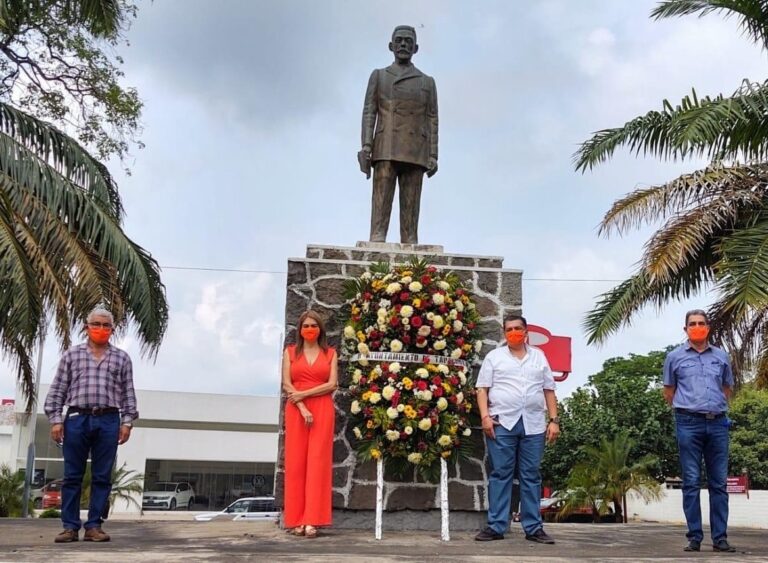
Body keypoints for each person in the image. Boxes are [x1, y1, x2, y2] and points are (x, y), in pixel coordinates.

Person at [44, 306, 138, 543]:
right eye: (96, 324)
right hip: (77, 418)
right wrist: (56, 420)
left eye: (106, 325)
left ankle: (94, 525)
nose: (100, 329)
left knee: (102, 476)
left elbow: (128, 393)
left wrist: (127, 422)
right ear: (87, 327)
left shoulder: (121, 358)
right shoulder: (72, 355)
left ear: (112, 330)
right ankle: (70, 527)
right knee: (72, 475)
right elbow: (58, 390)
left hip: (108, 419)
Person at [474, 314, 560, 543]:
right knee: (501, 474)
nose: (514, 332)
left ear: (526, 331)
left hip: (533, 425)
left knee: (531, 475)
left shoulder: (539, 357)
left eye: (517, 328)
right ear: (504, 333)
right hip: (502, 423)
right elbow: (482, 389)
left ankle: (533, 528)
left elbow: (549, 390)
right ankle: (496, 526)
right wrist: (485, 417)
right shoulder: (494, 357)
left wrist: (554, 420)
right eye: (509, 329)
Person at [663, 309, 736, 553]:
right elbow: (669, 392)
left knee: (719, 483)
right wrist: (689, 408)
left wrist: (714, 407)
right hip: (688, 423)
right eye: (692, 324)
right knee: (691, 482)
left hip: (717, 424)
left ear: (708, 327)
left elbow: (726, 387)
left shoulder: (721, 357)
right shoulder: (674, 357)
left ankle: (720, 538)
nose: (697, 327)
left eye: (701, 323)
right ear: (685, 329)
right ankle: (694, 536)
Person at [359, 24, 438, 244]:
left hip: (416, 149)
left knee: (411, 207)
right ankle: (377, 239)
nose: (403, 44)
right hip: (386, 144)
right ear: (391, 45)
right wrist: (366, 145)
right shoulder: (379, 76)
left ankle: (410, 244)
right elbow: (369, 112)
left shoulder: (427, 82)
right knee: (381, 200)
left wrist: (433, 154)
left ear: (416, 48)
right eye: (399, 40)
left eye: (408, 41)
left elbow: (432, 118)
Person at [281, 310, 338, 538]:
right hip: (297, 410)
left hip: (322, 410)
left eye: (314, 325)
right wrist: (303, 405)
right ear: (300, 330)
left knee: (317, 463)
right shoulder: (291, 352)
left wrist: (305, 394)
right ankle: (295, 519)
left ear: (320, 329)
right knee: (295, 464)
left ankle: (311, 520)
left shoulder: (330, 353)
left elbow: (332, 384)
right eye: (306, 326)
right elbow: (287, 383)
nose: (310, 329)